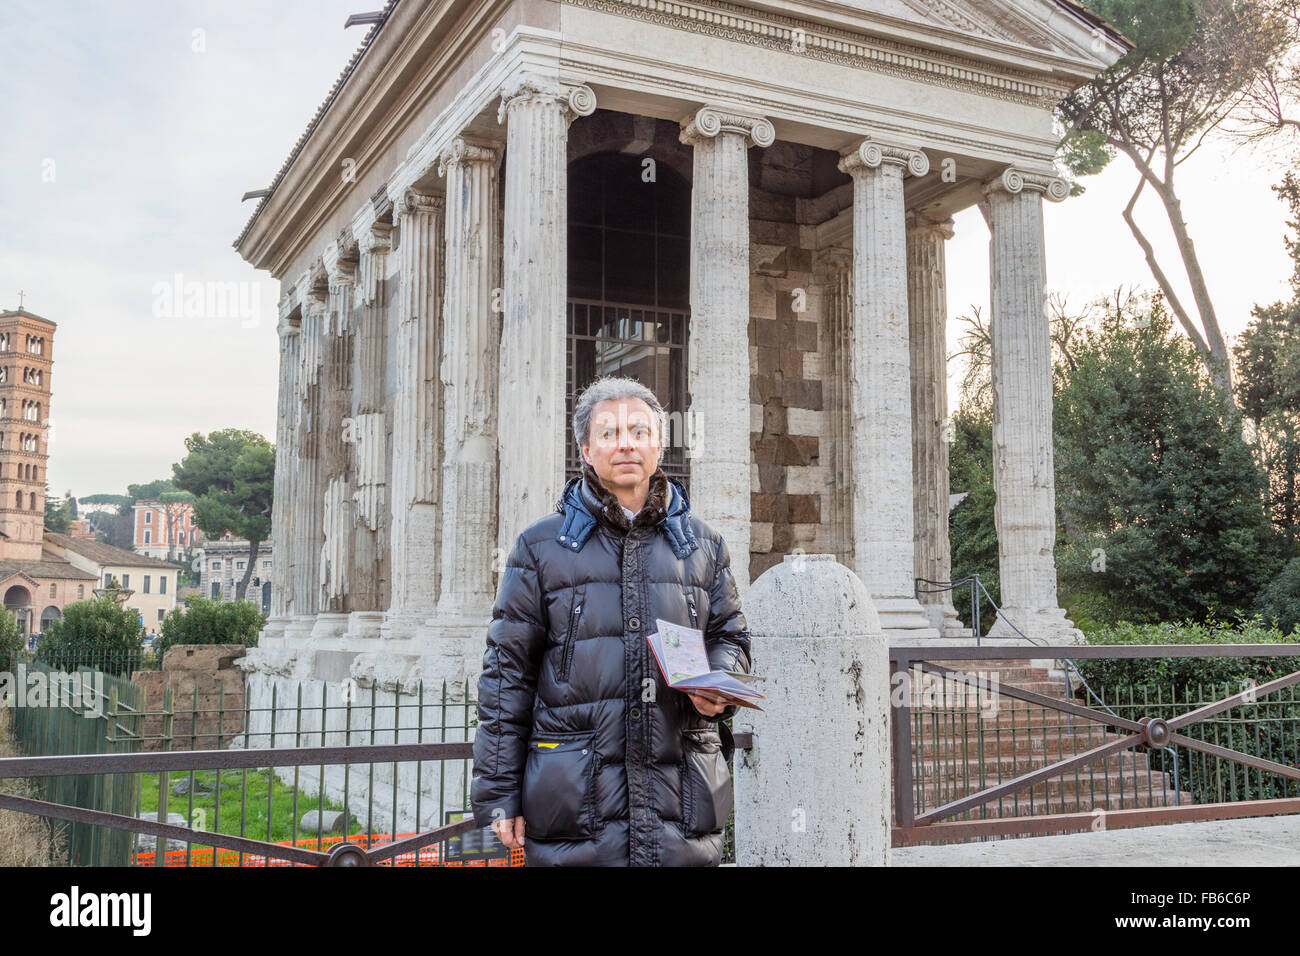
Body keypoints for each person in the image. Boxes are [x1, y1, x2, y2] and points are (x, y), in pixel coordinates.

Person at [470, 375, 752, 866]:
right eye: (609, 432)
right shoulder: (540, 548)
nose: (626, 443)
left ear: (659, 444)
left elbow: (731, 637)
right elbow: (505, 675)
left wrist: (720, 683)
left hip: (681, 799)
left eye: (639, 431)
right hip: (577, 804)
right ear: (586, 448)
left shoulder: (703, 546)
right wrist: (499, 792)